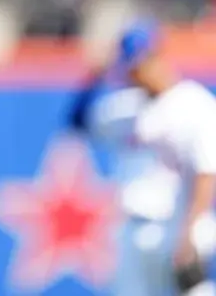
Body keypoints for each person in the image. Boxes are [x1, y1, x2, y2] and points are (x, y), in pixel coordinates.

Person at [66, 19, 216, 296]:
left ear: (158, 57)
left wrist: (191, 231)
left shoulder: (195, 104)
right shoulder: (125, 108)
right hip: (131, 229)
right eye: (130, 67)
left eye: (140, 63)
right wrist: (95, 75)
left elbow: (207, 173)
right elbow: (77, 121)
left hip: (177, 226)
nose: (134, 73)